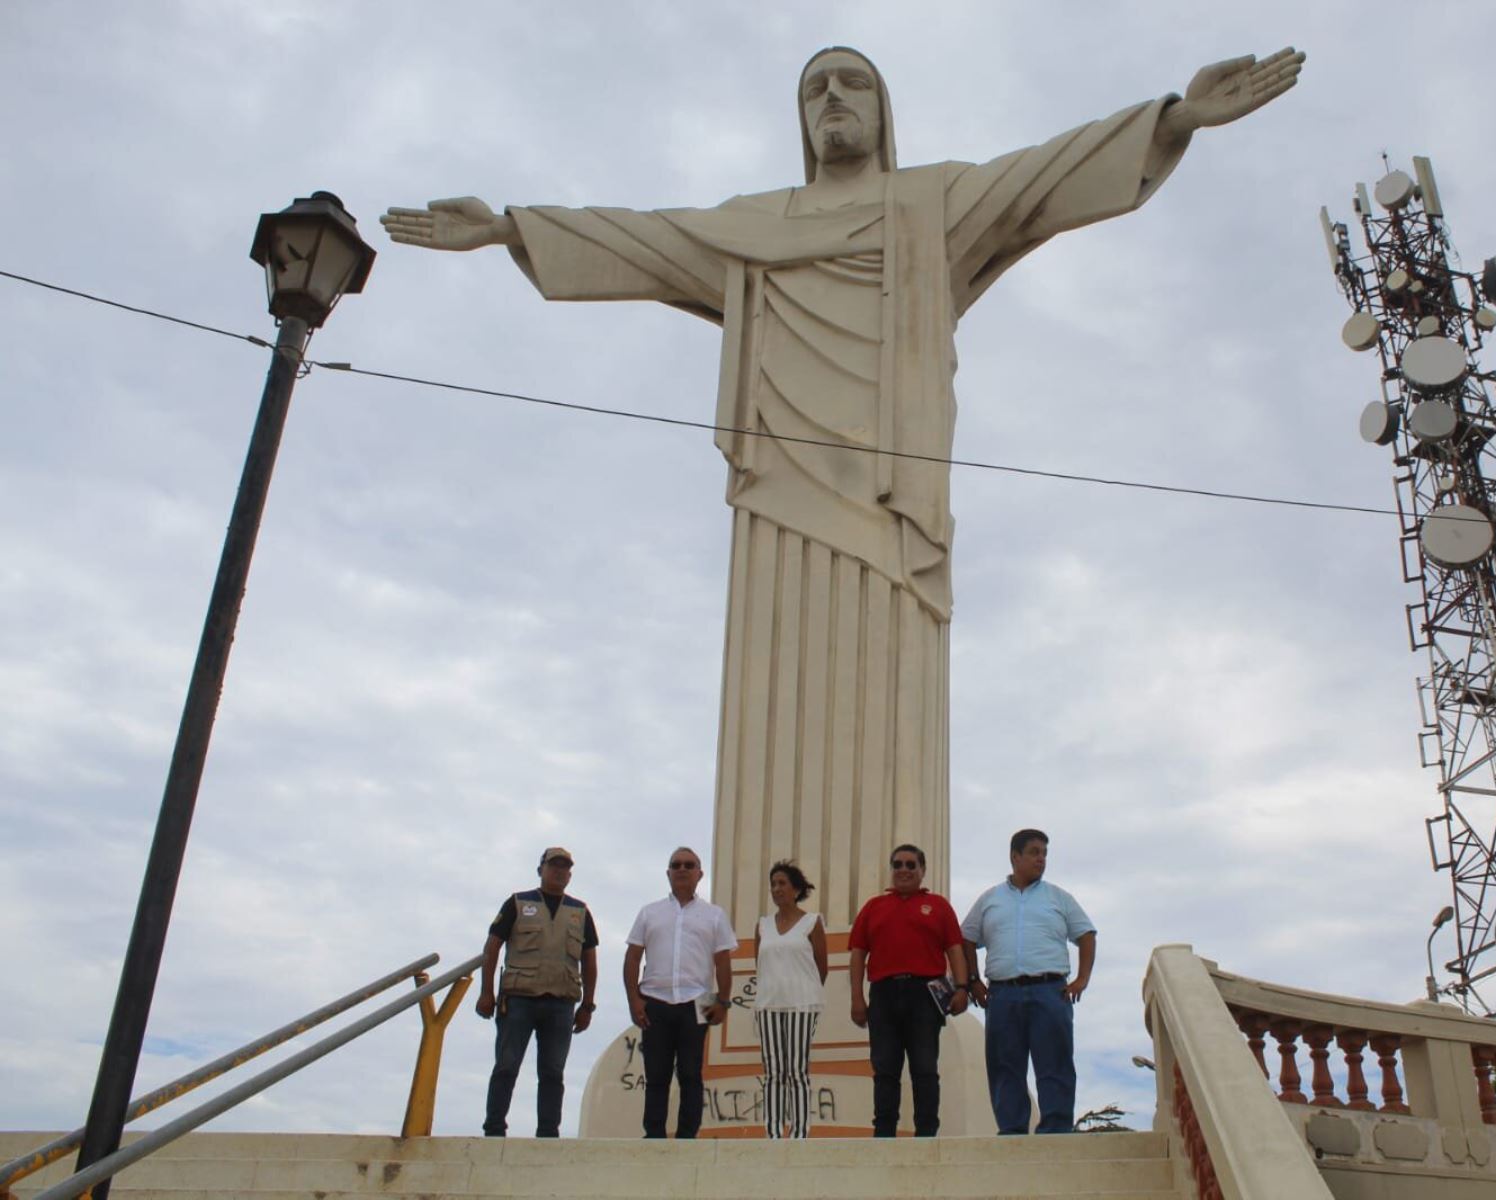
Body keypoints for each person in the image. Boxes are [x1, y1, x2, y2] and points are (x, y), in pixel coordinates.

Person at [381, 46, 1305, 930]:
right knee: (771, 686)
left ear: (882, 110)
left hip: (891, 489)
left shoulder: (930, 204)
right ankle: (759, 966)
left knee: (888, 695)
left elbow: (1043, 180)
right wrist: (510, 227)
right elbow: (647, 238)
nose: (832, 97)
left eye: (851, 82)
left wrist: (1175, 118)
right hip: (778, 485)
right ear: (800, 117)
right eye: (816, 85)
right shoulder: (755, 223)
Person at [961, 828, 1097, 1135]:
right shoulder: (990, 899)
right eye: (1035, 852)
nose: (1041, 859)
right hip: (1002, 993)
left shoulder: (1059, 898)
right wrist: (973, 981)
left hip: (1050, 991)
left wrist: (1082, 979)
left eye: (1045, 853)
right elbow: (966, 937)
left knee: (1055, 1064)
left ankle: (1056, 1130)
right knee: (1005, 1066)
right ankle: (1011, 1131)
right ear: (1015, 857)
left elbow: (1086, 934)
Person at [847, 843, 969, 1137]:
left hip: (925, 995)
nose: (903, 870)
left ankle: (927, 1133)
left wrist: (962, 988)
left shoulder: (938, 906)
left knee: (925, 1067)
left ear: (922, 871)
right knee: (885, 1069)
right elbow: (858, 955)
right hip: (884, 994)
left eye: (911, 865)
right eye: (898, 864)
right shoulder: (874, 907)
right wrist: (856, 998)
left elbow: (954, 949)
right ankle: (884, 1133)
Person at [477, 846, 599, 1138]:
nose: (559, 871)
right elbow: (492, 947)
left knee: (553, 1073)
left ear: (570, 874)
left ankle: (548, 1133)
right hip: (519, 999)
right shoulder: (518, 903)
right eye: (553, 865)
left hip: (561, 1002)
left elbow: (590, 960)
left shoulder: (579, 911)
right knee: (506, 1066)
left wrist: (588, 1005)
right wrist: (486, 992)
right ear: (540, 869)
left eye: (565, 867)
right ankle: (494, 1128)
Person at [623, 847, 738, 1138]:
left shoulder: (714, 915)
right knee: (656, 1076)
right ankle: (654, 1136)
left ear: (700, 873)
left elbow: (722, 961)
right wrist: (634, 1000)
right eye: (676, 865)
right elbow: (633, 957)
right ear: (668, 873)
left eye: (689, 865)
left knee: (690, 1073)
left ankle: (688, 1137)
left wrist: (722, 1002)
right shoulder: (650, 912)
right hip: (655, 1000)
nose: (682, 869)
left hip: (698, 1000)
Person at [753, 860, 829, 1138]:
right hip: (768, 1004)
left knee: (796, 1070)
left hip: (802, 1004)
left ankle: (799, 1134)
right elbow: (759, 965)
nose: (776, 889)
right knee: (773, 1070)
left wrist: (803, 990)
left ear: (796, 889)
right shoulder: (762, 926)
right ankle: (773, 1133)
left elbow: (821, 967)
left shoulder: (812, 922)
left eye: (782, 883)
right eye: (773, 884)